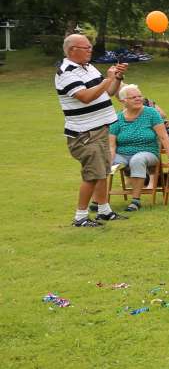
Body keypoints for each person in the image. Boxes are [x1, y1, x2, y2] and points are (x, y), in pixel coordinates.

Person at [56, 34, 128, 227]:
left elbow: (108, 92)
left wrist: (117, 77)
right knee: (92, 174)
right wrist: (107, 79)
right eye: (86, 48)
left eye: (90, 47)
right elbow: (85, 97)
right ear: (72, 50)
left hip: (101, 128)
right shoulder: (66, 72)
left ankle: (104, 211)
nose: (90, 50)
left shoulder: (88, 67)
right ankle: (80, 217)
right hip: (85, 133)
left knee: (103, 171)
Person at [108, 83, 169, 212]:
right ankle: (99, 202)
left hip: (148, 152)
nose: (138, 99)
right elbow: (112, 145)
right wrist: (110, 159)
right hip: (122, 154)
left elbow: (163, 137)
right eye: (133, 97)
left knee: (137, 160)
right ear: (123, 101)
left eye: (139, 96)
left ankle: (135, 201)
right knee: (102, 163)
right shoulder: (117, 118)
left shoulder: (151, 113)